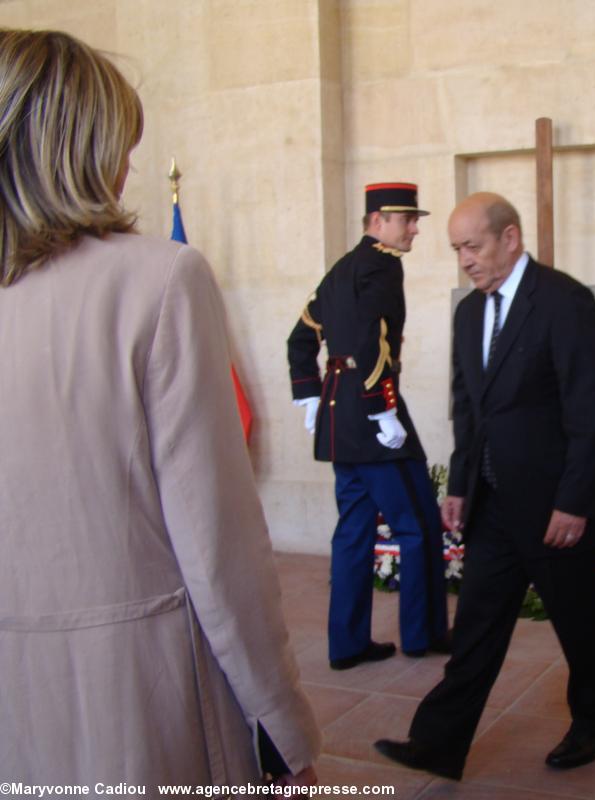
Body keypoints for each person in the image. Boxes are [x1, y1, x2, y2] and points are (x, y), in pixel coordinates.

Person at [0, 29, 320, 785]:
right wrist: (283, 722)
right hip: (131, 695)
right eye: (121, 145)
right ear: (77, 148)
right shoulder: (159, 281)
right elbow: (217, 544)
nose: (127, 169)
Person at [375, 192, 595, 780]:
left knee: (580, 627)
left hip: (556, 508)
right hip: (493, 507)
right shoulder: (468, 313)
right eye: (456, 249)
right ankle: (439, 743)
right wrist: (460, 485)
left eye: (473, 246)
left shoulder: (564, 301)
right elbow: (470, 409)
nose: (465, 259)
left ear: (510, 238)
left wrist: (573, 502)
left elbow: (590, 411)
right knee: (476, 628)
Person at [287, 183, 449, 669]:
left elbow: (300, 337)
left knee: (354, 532)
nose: (415, 229)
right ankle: (423, 635)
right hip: (372, 418)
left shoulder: (340, 269)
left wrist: (310, 396)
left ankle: (348, 643)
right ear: (378, 221)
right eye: (407, 219)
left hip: (340, 418)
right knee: (418, 525)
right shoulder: (381, 265)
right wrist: (383, 410)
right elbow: (370, 340)